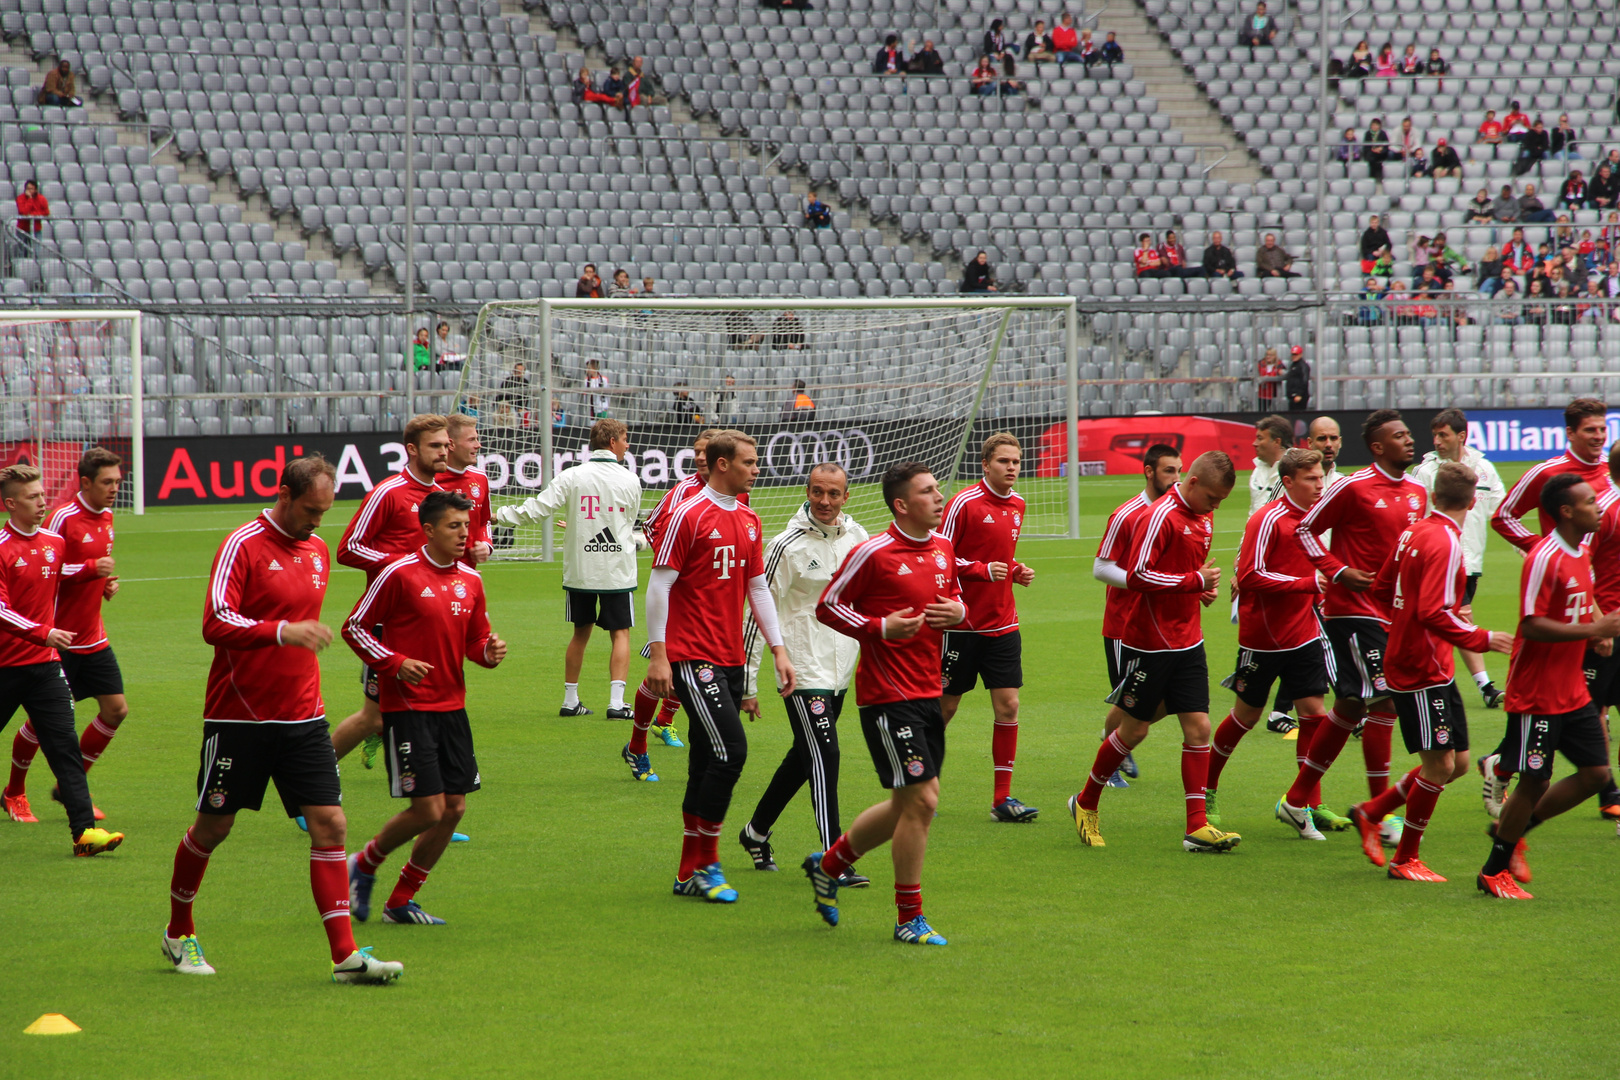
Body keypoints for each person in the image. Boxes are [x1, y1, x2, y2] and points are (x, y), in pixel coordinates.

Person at [163, 454, 401, 982]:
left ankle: (346, 958)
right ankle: (179, 932)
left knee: (331, 824)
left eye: (324, 511)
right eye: (311, 510)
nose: (318, 521)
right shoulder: (242, 544)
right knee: (213, 828)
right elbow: (215, 621)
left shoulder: (317, 550)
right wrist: (280, 631)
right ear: (284, 495)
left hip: (304, 717)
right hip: (239, 718)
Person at [806, 461, 987, 945]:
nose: (938, 497)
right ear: (902, 505)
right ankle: (909, 917)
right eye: (928, 492)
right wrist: (879, 627)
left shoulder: (945, 549)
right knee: (924, 801)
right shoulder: (874, 553)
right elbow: (828, 606)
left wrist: (959, 611)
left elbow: (954, 598)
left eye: (937, 489)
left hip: (929, 692)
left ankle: (828, 866)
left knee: (906, 806)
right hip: (888, 698)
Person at [645, 431, 796, 905]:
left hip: (730, 657)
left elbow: (758, 589)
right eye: (749, 462)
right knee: (732, 752)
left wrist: (778, 648)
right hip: (692, 655)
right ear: (722, 465)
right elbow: (658, 586)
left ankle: (688, 871)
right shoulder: (687, 514)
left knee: (705, 759)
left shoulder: (750, 518)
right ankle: (708, 864)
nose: (757, 468)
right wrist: (659, 653)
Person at [343, 491, 506, 926]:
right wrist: (395, 664)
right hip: (409, 707)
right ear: (429, 530)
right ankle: (365, 863)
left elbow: (475, 641)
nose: (463, 535)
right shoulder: (398, 573)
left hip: (453, 707)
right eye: (454, 527)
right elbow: (355, 627)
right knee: (429, 810)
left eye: (466, 527)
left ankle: (400, 901)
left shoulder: (471, 580)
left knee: (454, 809)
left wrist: (488, 653)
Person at [1348, 463, 1514, 881]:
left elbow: (1383, 589)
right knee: (1438, 765)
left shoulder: (1413, 532)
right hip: (1421, 667)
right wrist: (1480, 636)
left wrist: (1408, 625)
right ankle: (1405, 858)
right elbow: (1433, 612)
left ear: (1433, 496)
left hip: (1428, 663)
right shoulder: (1444, 542)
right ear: (1473, 500)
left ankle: (1371, 813)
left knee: (1456, 763)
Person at [1068, 452, 1240, 852]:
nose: (1215, 507)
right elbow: (1139, 575)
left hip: (1189, 639)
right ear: (1193, 483)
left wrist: (1202, 589)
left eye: (1220, 502)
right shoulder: (1159, 516)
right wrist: (1193, 580)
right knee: (1135, 729)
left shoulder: (1204, 516)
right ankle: (1085, 800)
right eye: (1212, 498)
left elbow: (1184, 571)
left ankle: (1196, 826)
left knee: (1199, 728)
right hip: (1149, 642)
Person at [1277, 410, 1427, 842]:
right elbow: (1305, 530)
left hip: (1394, 613)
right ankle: (1379, 815)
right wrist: (1338, 570)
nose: (1409, 440)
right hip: (1353, 609)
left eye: (1408, 434)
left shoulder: (1417, 491)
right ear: (1378, 447)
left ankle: (1296, 798)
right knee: (1383, 700)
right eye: (1398, 436)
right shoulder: (1351, 486)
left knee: (1351, 707)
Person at [1477, 474, 1620, 899]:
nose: (1599, 507)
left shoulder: (1582, 552)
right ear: (1567, 511)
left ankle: (1515, 830)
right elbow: (1532, 626)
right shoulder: (1545, 557)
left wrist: (1593, 630)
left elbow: (1575, 607)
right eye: (1591, 502)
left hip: (1571, 687)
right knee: (1534, 780)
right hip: (1536, 691)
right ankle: (1493, 870)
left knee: (1596, 774)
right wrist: (1593, 626)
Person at [736, 463, 869, 877]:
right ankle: (836, 858)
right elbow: (759, 612)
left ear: (846, 496)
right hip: (800, 670)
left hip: (840, 669)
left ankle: (755, 833)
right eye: (817, 492)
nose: (825, 502)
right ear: (807, 491)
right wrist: (747, 682)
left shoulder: (859, 537)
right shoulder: (785, 545)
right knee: (825, 754)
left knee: (804, 756)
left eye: (833, 494)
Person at [1203, 448, 1331, 827]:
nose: (1319, 484)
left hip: (1304, 632)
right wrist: (1308, 584)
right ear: (1288, 482)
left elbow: (1320, 563)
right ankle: (1207, 787)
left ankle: (1304, 803)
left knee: (1314, 714)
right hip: (1264, 638)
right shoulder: (1267, 519)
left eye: (1321, 477)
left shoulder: (1315, 517)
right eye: (1311, 479)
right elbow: (1250, 576)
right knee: (1246, 715)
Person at [0, 465, 120, 854]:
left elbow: (61, 575)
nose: (42, 502)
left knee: (64, 746)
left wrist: (101, 582)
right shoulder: (1, 547)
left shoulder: (53, 541)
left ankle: (84, 833)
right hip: (5, 666)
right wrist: (43, 631)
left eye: (41, 494)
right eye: (33, 498)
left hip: (46, 666)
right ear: (10, 504)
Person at [495, 418, 643, 725]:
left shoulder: (572, 475)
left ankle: (570, 700)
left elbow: (538, 508)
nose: (628, 445)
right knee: (621, 633)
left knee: (580, 633)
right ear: (613, 442)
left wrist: (499, 516)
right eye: (625, 439)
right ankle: (616, 703)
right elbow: (626, 527)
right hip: (616, 569)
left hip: (581, 570)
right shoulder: (630, 480)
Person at [332, 415, 451, 775]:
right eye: (435, 445)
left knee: (431, 709)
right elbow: (348, 548)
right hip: (387, 622)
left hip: (428, 620)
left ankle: (431, 812)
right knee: (374, 716)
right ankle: (309, 779)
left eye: (446, 445)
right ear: (412, 450)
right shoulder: (388, 492)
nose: (444, 451)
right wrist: (401, 563)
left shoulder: (440, 497)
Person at [939, 434, 1036, 822]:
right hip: (961, 625)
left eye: (1015, 461)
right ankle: (915, 789)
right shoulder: (963, 503)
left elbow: (1000, 557)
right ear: (985, 464)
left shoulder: (1018, 504)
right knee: (944, 709)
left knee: (1009, 705)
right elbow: (938, 557)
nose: (1011, 467)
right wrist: (981, 571)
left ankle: (1002, 799)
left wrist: (1014, 570)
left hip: (1003, 623)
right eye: (1004, 462)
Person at [621, 428, 723, 758]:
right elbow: (651, 526)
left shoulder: (737, 495)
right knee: (667, 670)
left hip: (715, 600)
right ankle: (638, 745)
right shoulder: (684, 491)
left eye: (706, 450)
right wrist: (676, 564)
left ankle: (665, 721)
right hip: (681, 598)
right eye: (696, 451)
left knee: (694, 670)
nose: (700, 457)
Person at [1093, 444, 1183, 787]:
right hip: (1124, 624)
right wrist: (1141, 582)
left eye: (1179, 471)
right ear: (1149, 472)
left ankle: (1117, 741)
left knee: (1169, 698)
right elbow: (1101, 569)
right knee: (1129, 697)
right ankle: (1111, 752)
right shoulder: (1126, 514)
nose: (1176, 479)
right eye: (1168, 471)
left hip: (1164, 625)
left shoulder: (1178, 514)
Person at [1409, 410, 1508, 710]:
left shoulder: (1483, 468)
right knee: (1459, 616)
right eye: (1435, 436)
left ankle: (1418, 678)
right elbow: (1415, 516)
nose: (1437, 441)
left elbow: (1500, 511)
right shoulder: (1425, 472)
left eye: (1444, 435)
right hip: (1440, 558)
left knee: (1445, 619)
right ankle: (1484, 685)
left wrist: (1521, 546)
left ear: (1461, 436)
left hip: (1471, 562)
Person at [1492, 398, 1616, 552]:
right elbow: (1504, 516)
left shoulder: (1613, 468)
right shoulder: (1547, 473)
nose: (1599, 436)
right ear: (1570, 433)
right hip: (1570, 572)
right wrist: (1541, 549)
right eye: (1590, 430)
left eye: (1602, 429)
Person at [433, 413, 494, 566]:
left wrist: (486, 544)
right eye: (472, 440)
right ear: (451, 444)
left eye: (477, 439)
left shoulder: (480, 478)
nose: (478, 445)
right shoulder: (430, 481)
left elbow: (484, 521)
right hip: (431, 574)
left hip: (467, 576)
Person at [13, 179, 48, 250]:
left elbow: (46, 212)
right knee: (22, 253)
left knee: (36, 252)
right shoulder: (20, 198)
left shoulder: (42, 199)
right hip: (22, 229)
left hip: (36, 229)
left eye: (31, 189)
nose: (29, 191)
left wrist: (33, 214)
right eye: (28, 189)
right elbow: (24, 212)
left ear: (36, 190)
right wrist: (30, 199)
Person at [1285, 345, 1310, 410]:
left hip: (1299, 396)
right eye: (1293, 354)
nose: (1294, 356)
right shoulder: (1293, 365)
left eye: (1296, 354)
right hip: (1292, 395)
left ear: (1300, 354)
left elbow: (1304, 380)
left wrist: (1299, 394)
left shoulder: (1303, 366)